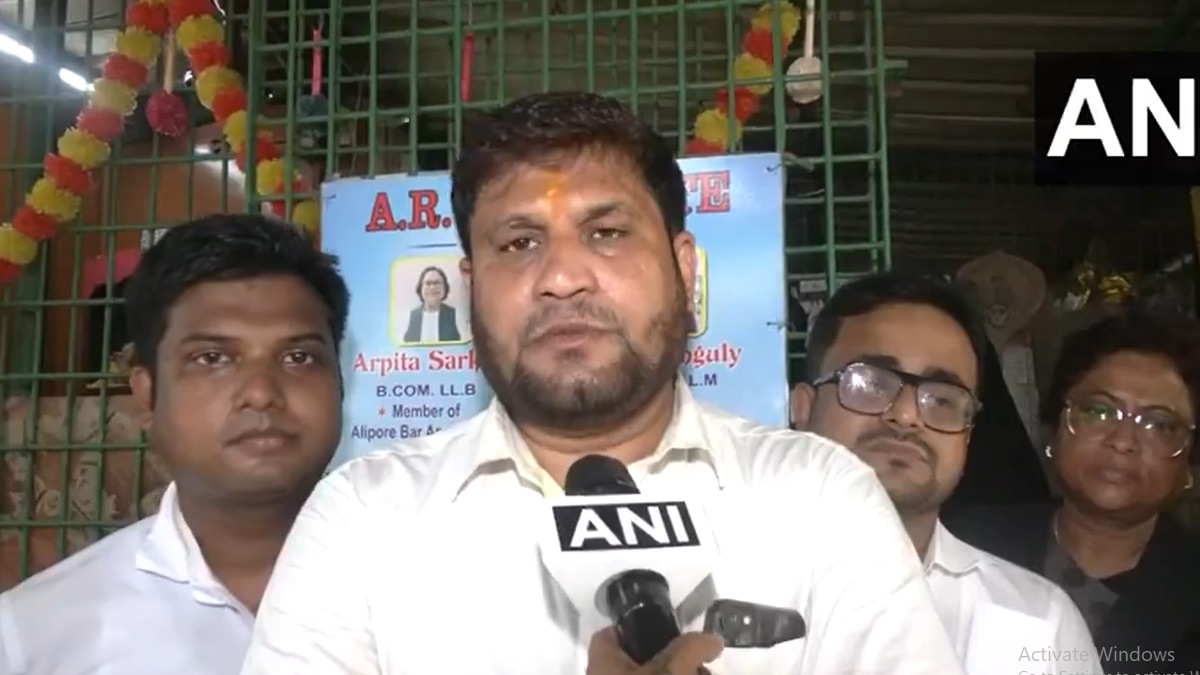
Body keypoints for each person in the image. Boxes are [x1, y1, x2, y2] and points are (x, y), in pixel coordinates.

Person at [238, 92, 964, 674]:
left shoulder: (821, 498)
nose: (560, 277)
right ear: (470, 286)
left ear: (684, 269)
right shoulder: (364, 519)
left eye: (606, 233)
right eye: (519, 242)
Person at [0, 214, 349, 674]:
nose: (261, 392)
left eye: (298, 357)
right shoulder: (36, 635)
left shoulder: (426, 584)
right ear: (146, 396)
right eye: (212, 358)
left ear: (341, 383)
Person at [789, 273, 1102, 674]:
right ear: (803, 407)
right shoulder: (722, 587)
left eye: (942, 399)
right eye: (871, 382)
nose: (907, 415)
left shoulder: (1038, 623)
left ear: (968, 435)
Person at [950, 311, 1200, 674]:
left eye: (1159, 424)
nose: (1122, 441)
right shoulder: (966, 544)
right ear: (1055, 429)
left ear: (1189, 464)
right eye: (1099, 410)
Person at [402, 264, 462, 343]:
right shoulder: (408, 317)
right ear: (421, 288)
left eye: (437, 283)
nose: (432, 287)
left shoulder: (457, 316)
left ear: (445, 288)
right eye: (428, 283)